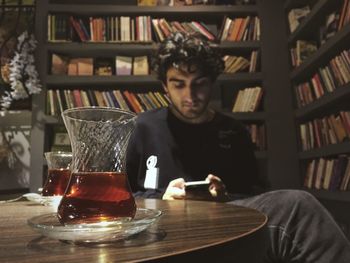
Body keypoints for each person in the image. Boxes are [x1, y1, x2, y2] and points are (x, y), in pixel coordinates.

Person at [126, 32, 350, 262]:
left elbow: (255, 194)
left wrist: (224, 197)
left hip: (225, 226)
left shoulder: (234, 131)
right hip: (165, 228)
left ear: (212, 82)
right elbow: (121, 197)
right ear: (165, 86)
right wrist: (163, 198)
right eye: (179, 85)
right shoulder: (142, 127)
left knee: (298, 206)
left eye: (199, 84)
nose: (190, 96)